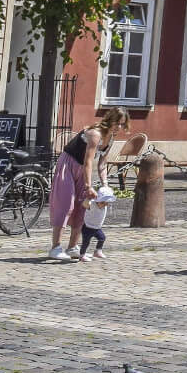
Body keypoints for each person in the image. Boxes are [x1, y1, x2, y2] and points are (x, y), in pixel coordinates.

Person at [48, 109, 128, 262]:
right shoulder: (95, 134)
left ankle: (72, 247)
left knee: (82, 207)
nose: (119, 127)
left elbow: (102, 163)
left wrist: (105, 185)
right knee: (66, 205)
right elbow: (89, 161)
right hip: (69, 165)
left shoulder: (110, 138)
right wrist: (88, 186)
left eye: (122, 124)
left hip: (82, 170)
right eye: (117, 123)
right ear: (109, 120)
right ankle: (55, 247)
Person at [78, 185, 114, 263]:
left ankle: (98, 251)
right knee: (86, 242)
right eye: (103, 202)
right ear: (98, 200)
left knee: (102, 238)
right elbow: (84, 204)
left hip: (97, 228)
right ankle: (82, 255)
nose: (105, 205)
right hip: (88, 227)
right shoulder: (92, 204)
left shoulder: (104, 205)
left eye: (106, 203)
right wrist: (88, 198)